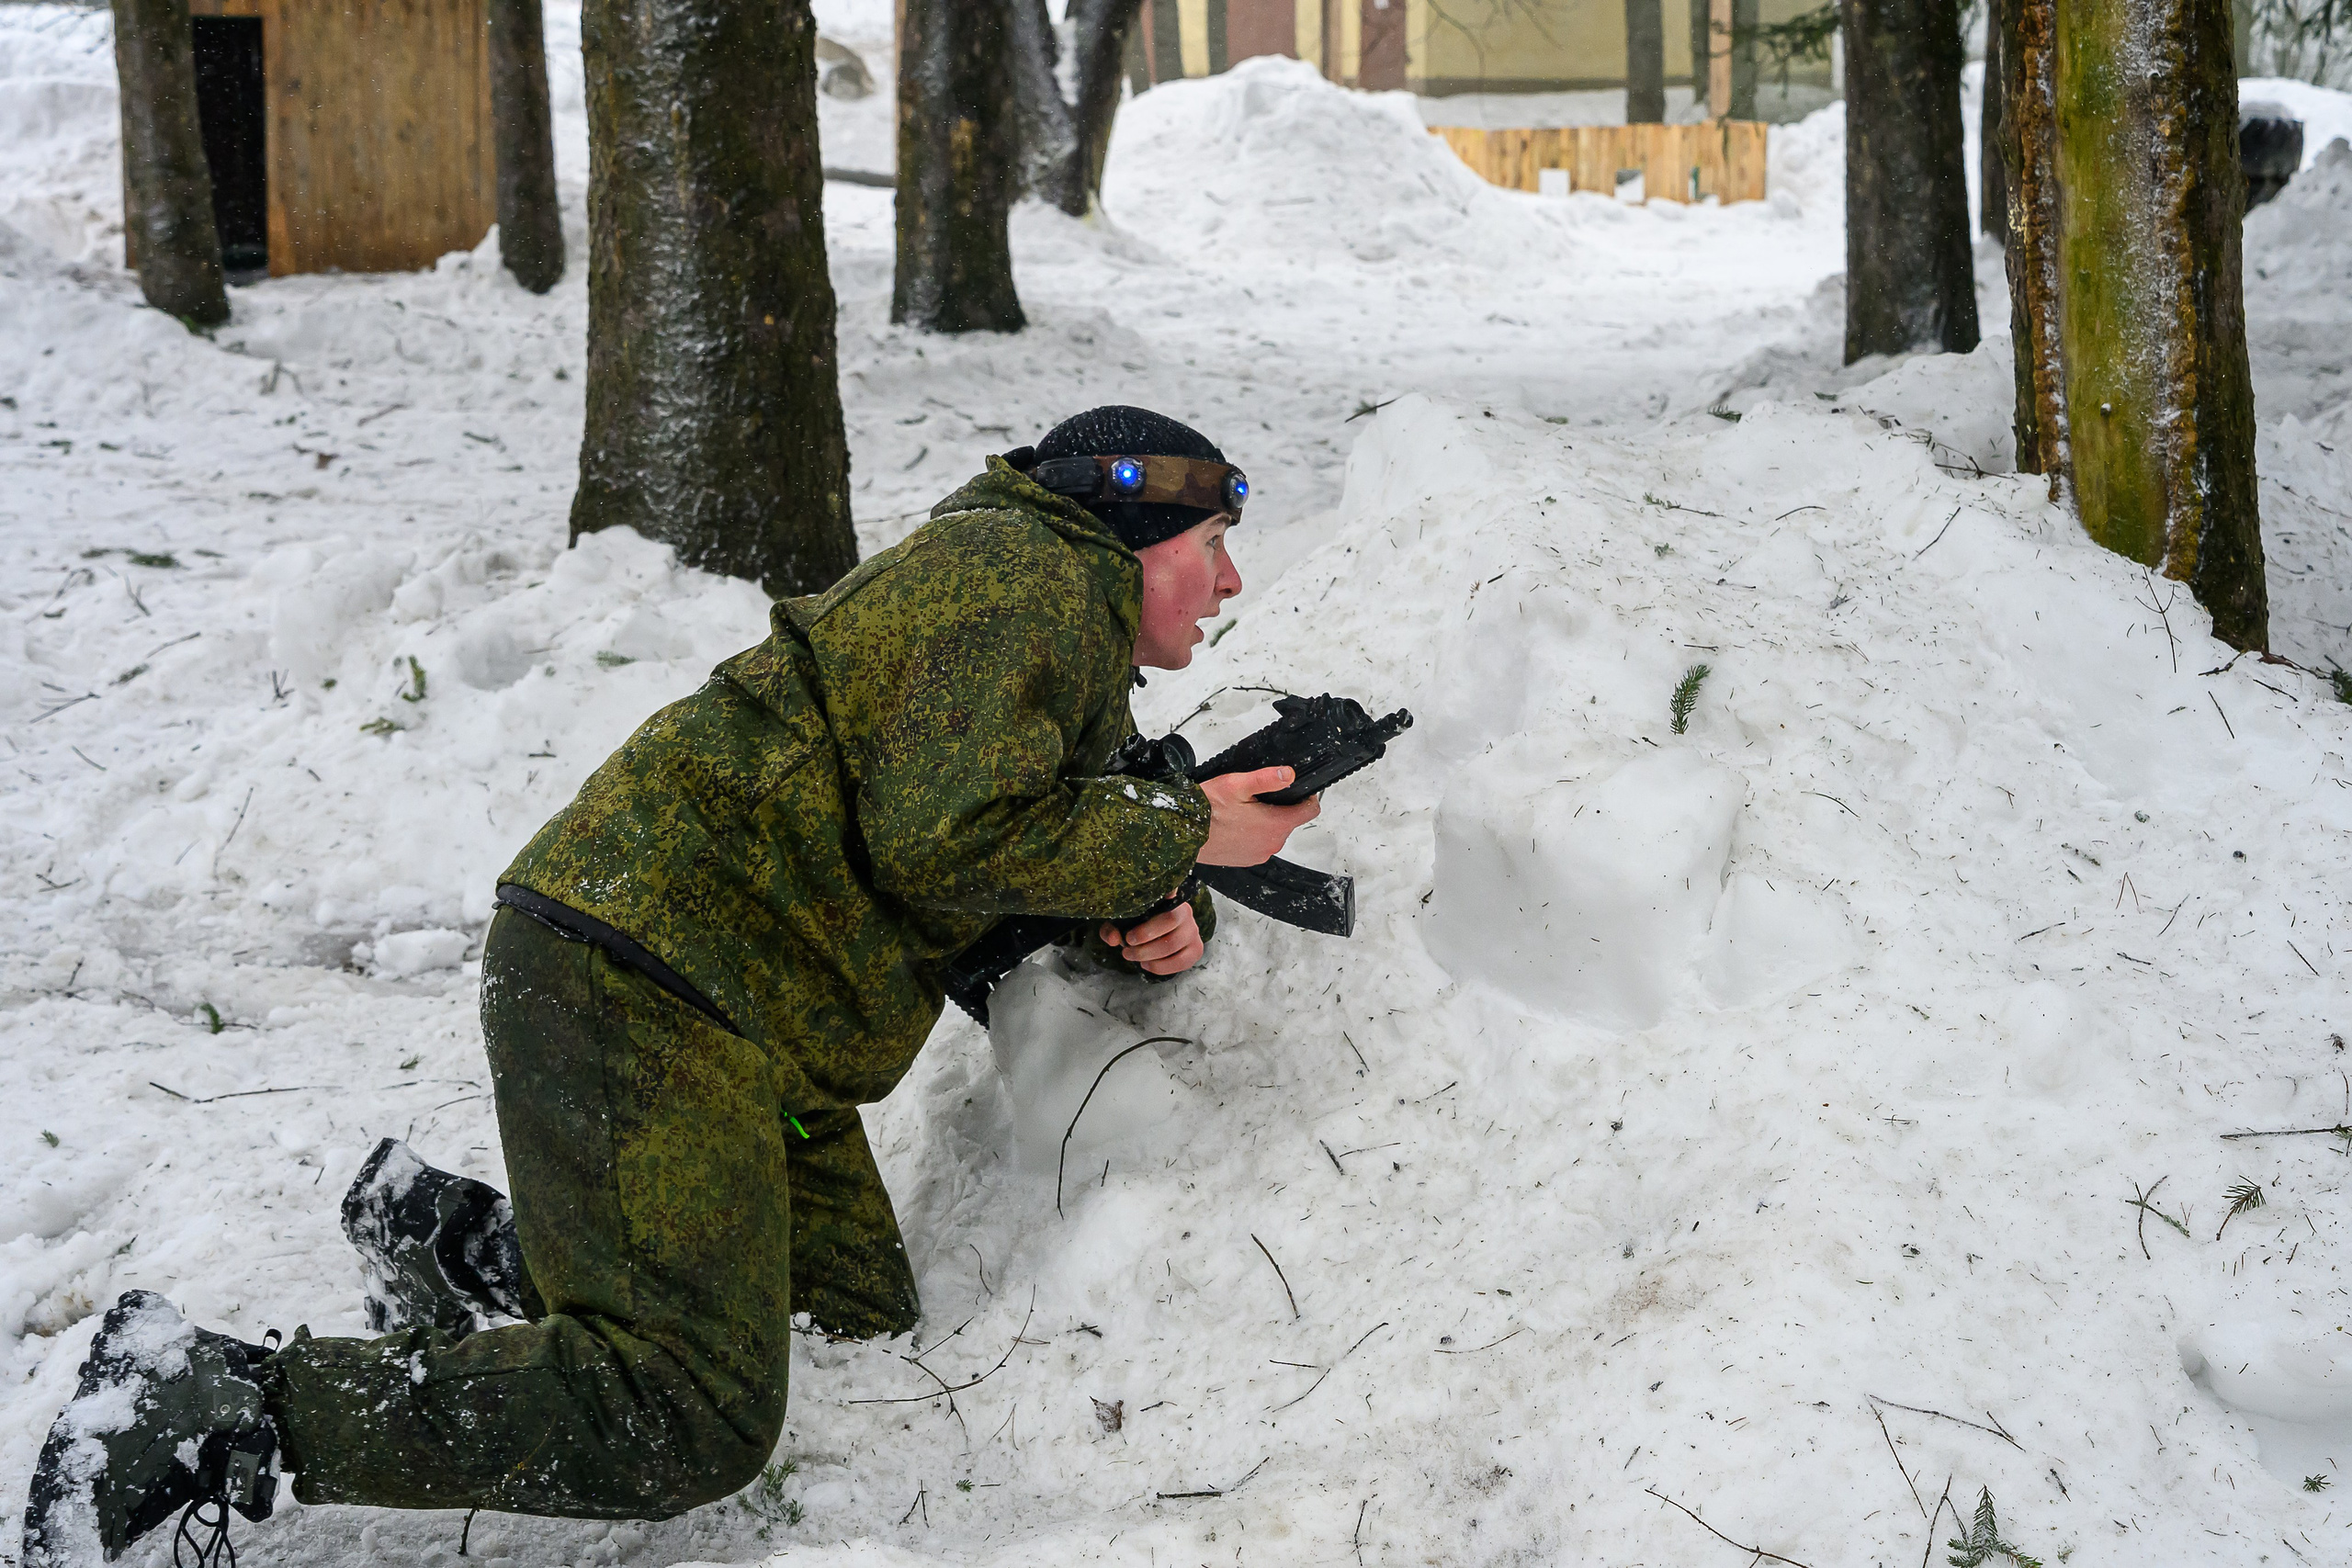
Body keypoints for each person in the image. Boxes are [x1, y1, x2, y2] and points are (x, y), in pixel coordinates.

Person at [20, 406, 1322, 1563]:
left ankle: (462, 1244)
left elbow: (1014, 842)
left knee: (845, 1330)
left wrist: (1152, 910)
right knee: (687, 1415)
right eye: (1212, 544)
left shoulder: (1054, 624)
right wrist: (1184, 831)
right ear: (1133, 530)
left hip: (747, 1025)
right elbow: (946, 833)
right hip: (646, 978)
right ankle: (216, 1400)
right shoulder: (1016, 577)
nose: (1229, 581)